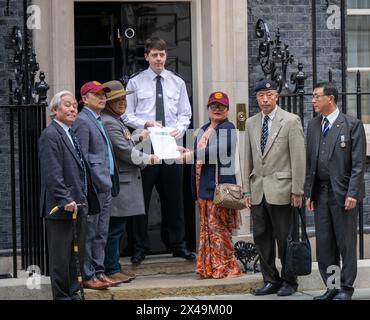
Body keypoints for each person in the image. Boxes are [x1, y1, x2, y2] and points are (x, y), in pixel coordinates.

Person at [125, 37, 194, 264]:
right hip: (145, 143)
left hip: (171, 145)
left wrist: (179, 129)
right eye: (154, 54)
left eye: (162, 55)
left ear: (166, 56)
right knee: (141, 198)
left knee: (174, 197)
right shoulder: (135, 83)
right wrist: (145, 124)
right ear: (146, 57)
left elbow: (185, 113)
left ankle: (178, 245)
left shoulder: (177, 82)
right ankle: (139, 247)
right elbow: (125, 114)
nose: (158, 59)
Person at [305, 82, 366, 300]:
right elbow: (309, 162)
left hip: (343, 194)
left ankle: (345, 289)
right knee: (325, 244)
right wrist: (308, 193)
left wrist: (352, 193)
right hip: (320, 193)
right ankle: (332, 287)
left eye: (316, 97)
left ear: (330, 98)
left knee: (345, 243)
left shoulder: (351, 125)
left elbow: (358, 164)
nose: (313, 101)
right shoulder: (313, 126)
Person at [244, 79, 306, 296]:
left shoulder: (290, 121)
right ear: (256, 98)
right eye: (261, 95)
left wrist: (297, 190)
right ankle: (270, 280)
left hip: (283, 189)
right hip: (258, 189)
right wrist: (246, 190)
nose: (265, 99)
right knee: (261, 237)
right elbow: (247, 158)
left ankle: (290, 281)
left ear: (277, 96)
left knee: (284, 238)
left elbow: (299, 158)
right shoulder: (251, 123)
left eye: (269, 94)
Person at [39, 91, 100, 299]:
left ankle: (74, 293)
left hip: (79, 205)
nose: (73, 108)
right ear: (55, 110)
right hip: (61, 208)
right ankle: (63, 296)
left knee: (77, 255)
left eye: (74, 105)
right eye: (67, 105)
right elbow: (52, 173)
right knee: (61, 258)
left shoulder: (71, 133)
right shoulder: (50, 135)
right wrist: (65, 198)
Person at [101, 80, 159, 282]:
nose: (122, 102)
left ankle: (114, 266)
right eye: (117, 100)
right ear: (108, 103)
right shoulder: (109, 122)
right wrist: (148, 159)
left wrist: (138, 137)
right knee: (114, 230)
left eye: (124, 99)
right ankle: (111, 268)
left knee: (117, 228)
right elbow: (124, 152)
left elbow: (124, 143)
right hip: (121, 185)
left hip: (125, 183)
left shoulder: (114, 120)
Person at [180, 91, 242, 279]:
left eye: (221, 106)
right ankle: (209, 267)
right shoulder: (203, 129)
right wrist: (187, 151)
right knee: (207, 229)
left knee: (219, 230)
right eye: (213, 106)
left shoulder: (228, 127)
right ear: (207, 109)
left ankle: (224, 267)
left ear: (228, 110)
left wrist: (191, 155)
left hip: (218, 189)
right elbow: (200, 152)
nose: (217, 109)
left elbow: (219, 151)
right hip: (203, 189)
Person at [72, 81, 121, 289]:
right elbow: (81, 157)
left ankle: (99, 271)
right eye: (97, 94)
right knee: (91, 232)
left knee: (102, 231)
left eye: (104, 94)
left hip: (105, 184)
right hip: (94, 186)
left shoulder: (98, 119)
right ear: (85, 99)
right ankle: (88, 274)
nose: (103, 98)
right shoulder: (83, 121)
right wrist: (87, 187)